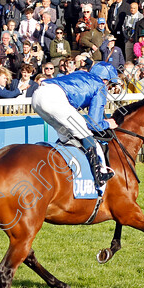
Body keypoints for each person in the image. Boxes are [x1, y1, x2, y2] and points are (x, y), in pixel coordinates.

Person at [31, 62, 121, 193]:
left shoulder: (82, 73)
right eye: (110, 83)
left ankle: (57, 172)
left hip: (37, 97)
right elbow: (94, 124)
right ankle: (99, 176)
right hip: (54, 99)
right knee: (85, 134)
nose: (108, 87)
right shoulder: (100, 85)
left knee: (66, 136)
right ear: (106, 80)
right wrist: (108, 123)